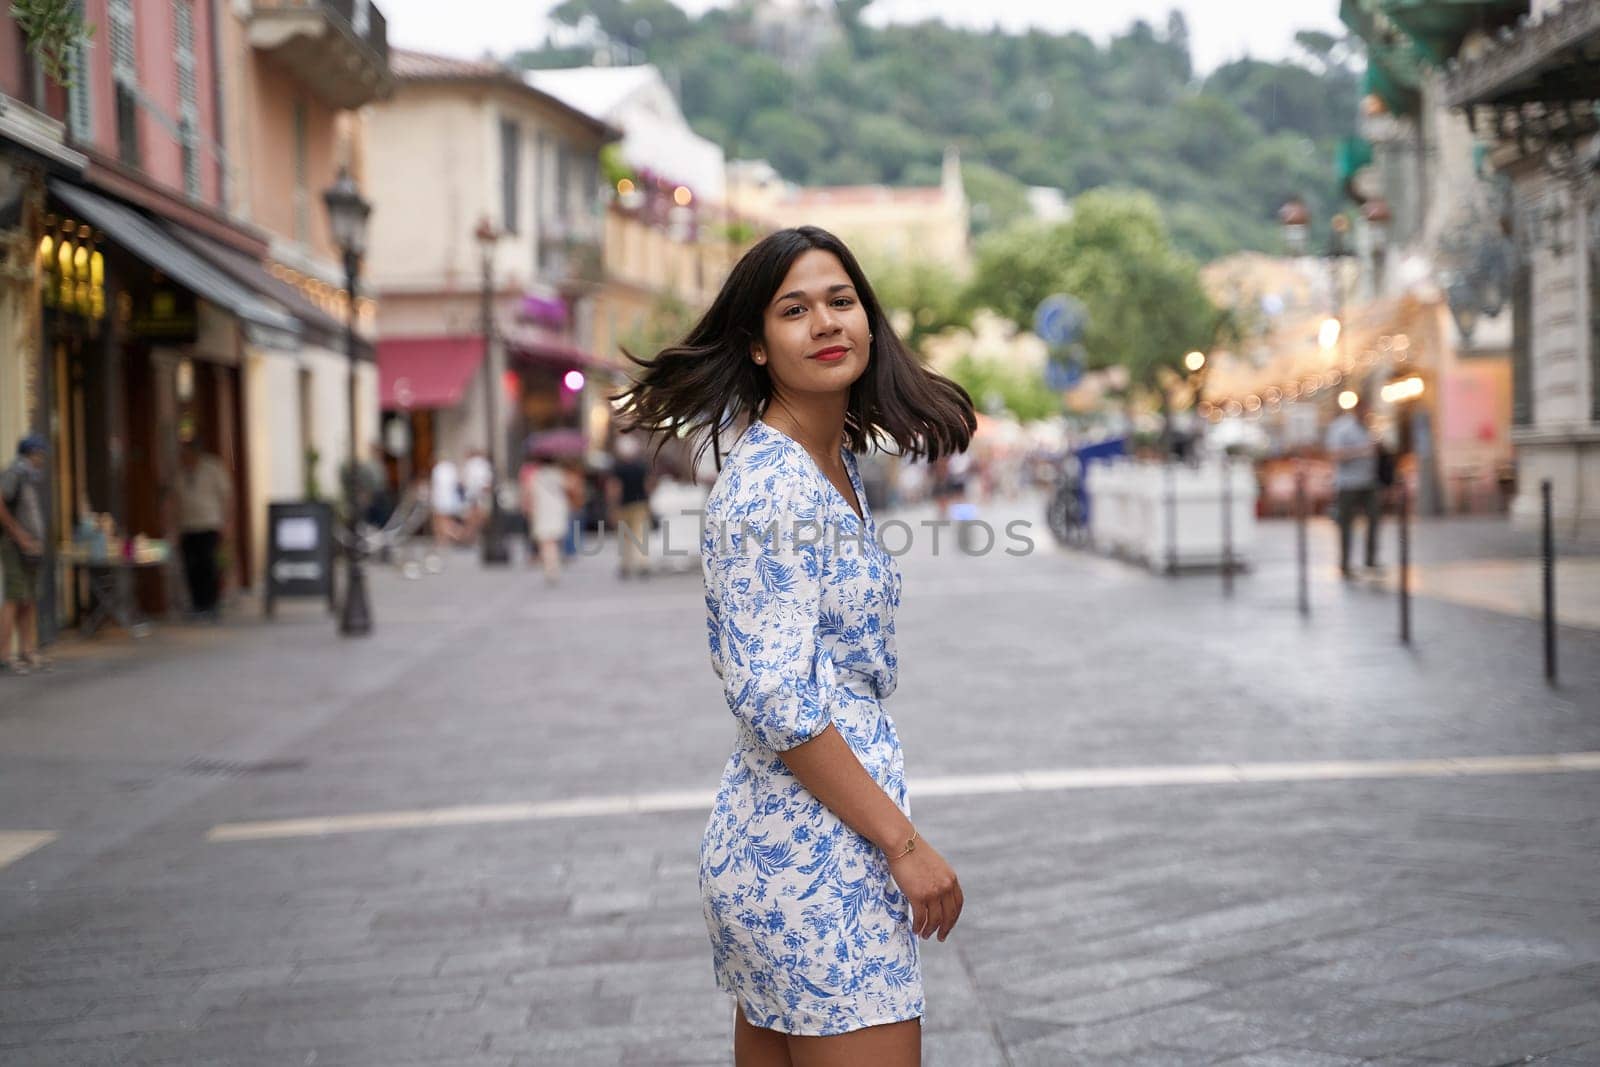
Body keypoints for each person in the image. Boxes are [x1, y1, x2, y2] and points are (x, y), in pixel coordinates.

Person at [612, 226, 975, 1064]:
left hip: (796, 843)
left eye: (840, 301)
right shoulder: (770, 488)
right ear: (758, 344)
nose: (825, 322)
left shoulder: (829, 461)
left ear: (869, 320)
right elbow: (779, 700)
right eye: (795, 309)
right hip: (815, 860)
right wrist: (905, 846)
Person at [0, 435, 49, 674]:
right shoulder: (15, 474)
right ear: (29, 454)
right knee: (13, 597)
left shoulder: (30, 478)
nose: (41, 459)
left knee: (28, 598)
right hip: (15, 545)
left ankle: (28, 651)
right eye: (39, 454)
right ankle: (4, 656)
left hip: (31, 547)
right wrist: (19, 535)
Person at [175, 437, 234, 620]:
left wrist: (227, 522)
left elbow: (226, 496)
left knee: (208, 564)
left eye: (189, 452)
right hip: (187, 525)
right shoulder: (180, 472)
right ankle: (197, 603)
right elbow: (175, 500)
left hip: (209, 523)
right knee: (191, 566)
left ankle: (212, 603)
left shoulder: (213, 468)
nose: (186, 456)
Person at [1327, 395, 1382, 578]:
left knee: (1374, 520)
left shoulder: (1368, 428)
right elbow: (1335, 454)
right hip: (1348, 484)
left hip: (1368, 481)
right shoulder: (1342, 428)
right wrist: (1361, 451)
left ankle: (1371, 560)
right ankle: (1345, 565)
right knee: (1346, 525)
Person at [608, 432, 657, 579]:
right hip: (640, 503)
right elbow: (649, 484)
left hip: (623, 505)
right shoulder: (642, 466)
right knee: (641, 535)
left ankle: (625, 565)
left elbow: (614, 488)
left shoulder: (617, 468)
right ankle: (643, 564)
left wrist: (612, 506)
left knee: (624, 537)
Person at [519, 452, 570, 584]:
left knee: (545, 542)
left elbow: (528, 493)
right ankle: (554, 565)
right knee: (554, 541)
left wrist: (527, 508)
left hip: (541, 510)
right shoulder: (559, 474)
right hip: (557, 509)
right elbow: (568, 489)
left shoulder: (535, 476)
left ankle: (550, 567)